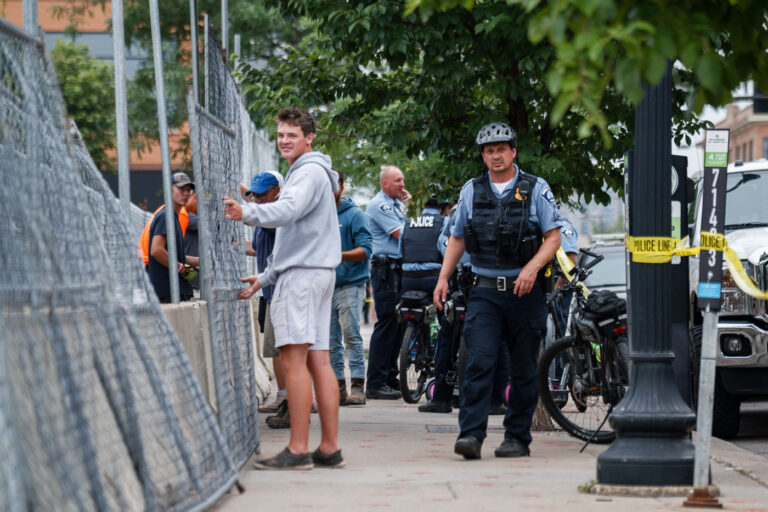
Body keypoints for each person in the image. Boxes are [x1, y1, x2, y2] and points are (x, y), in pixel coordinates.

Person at [222, 108, 343, 470]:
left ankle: (298, 449)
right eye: (280, 135)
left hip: (303, 279)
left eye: (292, 134)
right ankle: (328, 448)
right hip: (316, 273)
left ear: (309, 138)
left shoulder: (306, 173)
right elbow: (295, 238)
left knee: (294, 361)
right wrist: (266, 277)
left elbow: (286, 211)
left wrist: (245, 212)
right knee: (319, 360)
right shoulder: (312, 172)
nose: (285, 140)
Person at [433, 122, 563, 460]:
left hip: (525, 294)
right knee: (479, 362)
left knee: (522, 369)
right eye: (489, 151)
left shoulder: (535, 188)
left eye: (501, 149)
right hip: (485, 292)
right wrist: (443, 277)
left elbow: (553, 237)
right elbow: (458, 237)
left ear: (513, 151)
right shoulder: (471, 191)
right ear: (483, 155)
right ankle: (470, 436)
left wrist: (532, 268)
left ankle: (516, 438)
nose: (495, 155)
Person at [241, 172, 290, 428]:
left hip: (279, 291)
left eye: (262, 194)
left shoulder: (277, 214)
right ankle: (288, 398)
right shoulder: (265, 216)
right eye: (254, 194)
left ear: (276, 191)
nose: (257, 199)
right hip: (268, 291)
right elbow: (259, 248)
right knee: (274, 349)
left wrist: (242, 204)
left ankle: (288, 400)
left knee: (281, 349)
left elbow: (258, 217)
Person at [365, 165, 409, 400]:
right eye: (398, 180)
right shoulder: (379, 205)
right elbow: (401, 233)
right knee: (387, 323)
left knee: (398, 325)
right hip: (386, 271)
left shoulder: (396, 204)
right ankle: (376, 382)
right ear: (385, 184)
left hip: (397, 269)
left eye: (402, 180)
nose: (403, 184)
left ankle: (390, 378)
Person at [331, 170, 372, 406]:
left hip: (351, 284)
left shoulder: (354, 215)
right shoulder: (318, 215)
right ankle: (337, 387)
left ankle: (358, 386)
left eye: (334, 183)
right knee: (330, 340)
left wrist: (338, 256)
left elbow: (366, 249)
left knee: (351, 335)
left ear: (342, 187)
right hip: (325, 285)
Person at [147, 172, 199, 303]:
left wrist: (199, 261)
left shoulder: (175, 217)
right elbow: (156, 250)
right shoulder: (165, 216)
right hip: (167, 293)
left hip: (174, 292)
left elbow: (175, 255)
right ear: (169, 189)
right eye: (181, 189)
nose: (186, 193)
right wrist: (182, 268)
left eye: (189, 190)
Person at [399, 196, 446, 294]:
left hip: (408, 279)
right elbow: (448, 252)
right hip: (435, 278)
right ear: (440, 206)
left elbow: (400, 253)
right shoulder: (445, 221)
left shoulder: (406, 223)